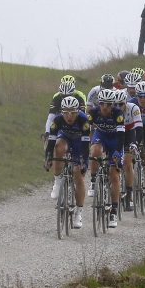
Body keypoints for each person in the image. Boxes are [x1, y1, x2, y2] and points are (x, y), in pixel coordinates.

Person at [47, 96, 90, 229]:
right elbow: (51, 142)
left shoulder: (84, 121)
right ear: (62, 112)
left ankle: (78, 213)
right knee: (59, 148)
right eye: (66, 112)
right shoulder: (58, 119)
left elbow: (85, 145)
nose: (69, 116)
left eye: (72, 112)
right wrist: (48, 158)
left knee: (78, 176)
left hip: (79, 146)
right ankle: (58, 181)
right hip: (65, 139)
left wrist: (82, 161)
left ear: (77, 112)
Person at [87, 88, 125, 228]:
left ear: (113, 104)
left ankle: (114, 210)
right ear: (98, 103)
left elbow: (121, 136)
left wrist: (116, 152)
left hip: (115, 140)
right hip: (101, 136)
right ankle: (93, 179)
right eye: (102, 104)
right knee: (95, 150)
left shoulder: (118, 114)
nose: (105, 107)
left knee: (114, 175)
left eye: (108, 104)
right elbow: (85, 129)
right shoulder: (93, 112)